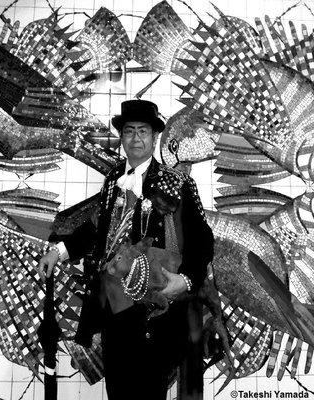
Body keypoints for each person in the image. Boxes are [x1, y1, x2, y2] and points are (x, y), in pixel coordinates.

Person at [39, 100, 214, 400]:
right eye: (129, 131)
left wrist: (183, 281)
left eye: (143, 131)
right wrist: (60, 251)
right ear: (122, 137)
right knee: (118, 392)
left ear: (154, 137)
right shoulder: (112, 182)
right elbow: (96, 230)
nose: (136, 138)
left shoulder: (177, 183)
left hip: (154, 313)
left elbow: (203, 242)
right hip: (114, 313)